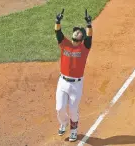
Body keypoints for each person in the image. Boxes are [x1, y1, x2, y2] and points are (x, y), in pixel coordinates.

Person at [54, 8, 93, 142]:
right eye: (75, 30)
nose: (76, 31)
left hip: (76, 85)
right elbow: (58, 33)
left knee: (72, 110)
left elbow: (90, 38)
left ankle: (74, 130)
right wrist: (57, 21)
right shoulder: (65, 44)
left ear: (81, 37)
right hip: (62, 82)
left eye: (79, 31)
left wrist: (89, 25)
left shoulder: (84, 48)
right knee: (59, 108)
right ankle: (63, 123)